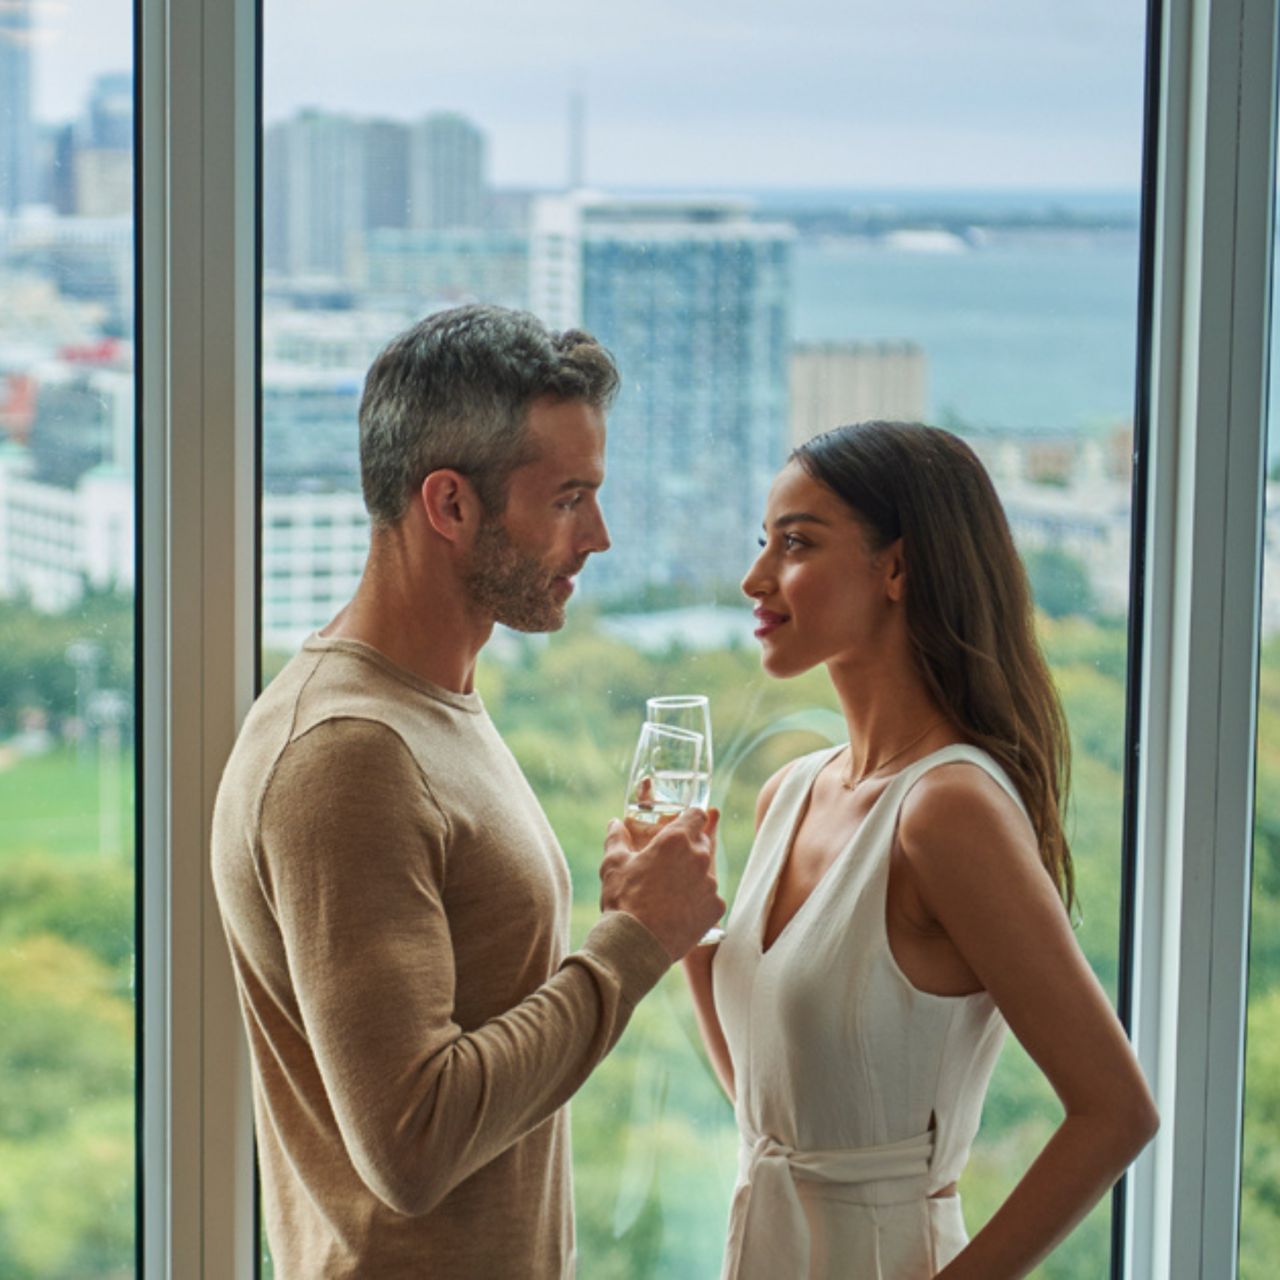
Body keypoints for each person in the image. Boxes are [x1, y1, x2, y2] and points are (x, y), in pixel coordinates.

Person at [210, 304, 722, 1278]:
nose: (600, 535)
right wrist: (635, 942)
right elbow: (413, 1140)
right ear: (448, 505)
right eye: (569, 497)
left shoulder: (430, 704)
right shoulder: (347, 754)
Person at [681, 422, 1158, 1279]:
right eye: (765, 543)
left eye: (796, 543)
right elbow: (780, 1124)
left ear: (897, 568)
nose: (756, 578)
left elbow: (1117, 1113)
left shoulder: (948, 812)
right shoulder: (790, 793)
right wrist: (685, 934)